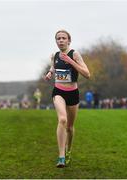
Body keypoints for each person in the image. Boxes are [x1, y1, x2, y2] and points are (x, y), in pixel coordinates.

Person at [44, 30, 90, 168]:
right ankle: (61, 156)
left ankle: (69, 150)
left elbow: (87, 74)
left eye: (64, 38)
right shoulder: (55, 55)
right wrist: (50, 73)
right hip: (58, 91)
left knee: (69, 127)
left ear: (69, 40)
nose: (61, 40)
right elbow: (54, 67)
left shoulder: (74, 54)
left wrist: (71, 61)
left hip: (73, 93)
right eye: (58, 38)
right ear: (56, 41)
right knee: (62, 119)